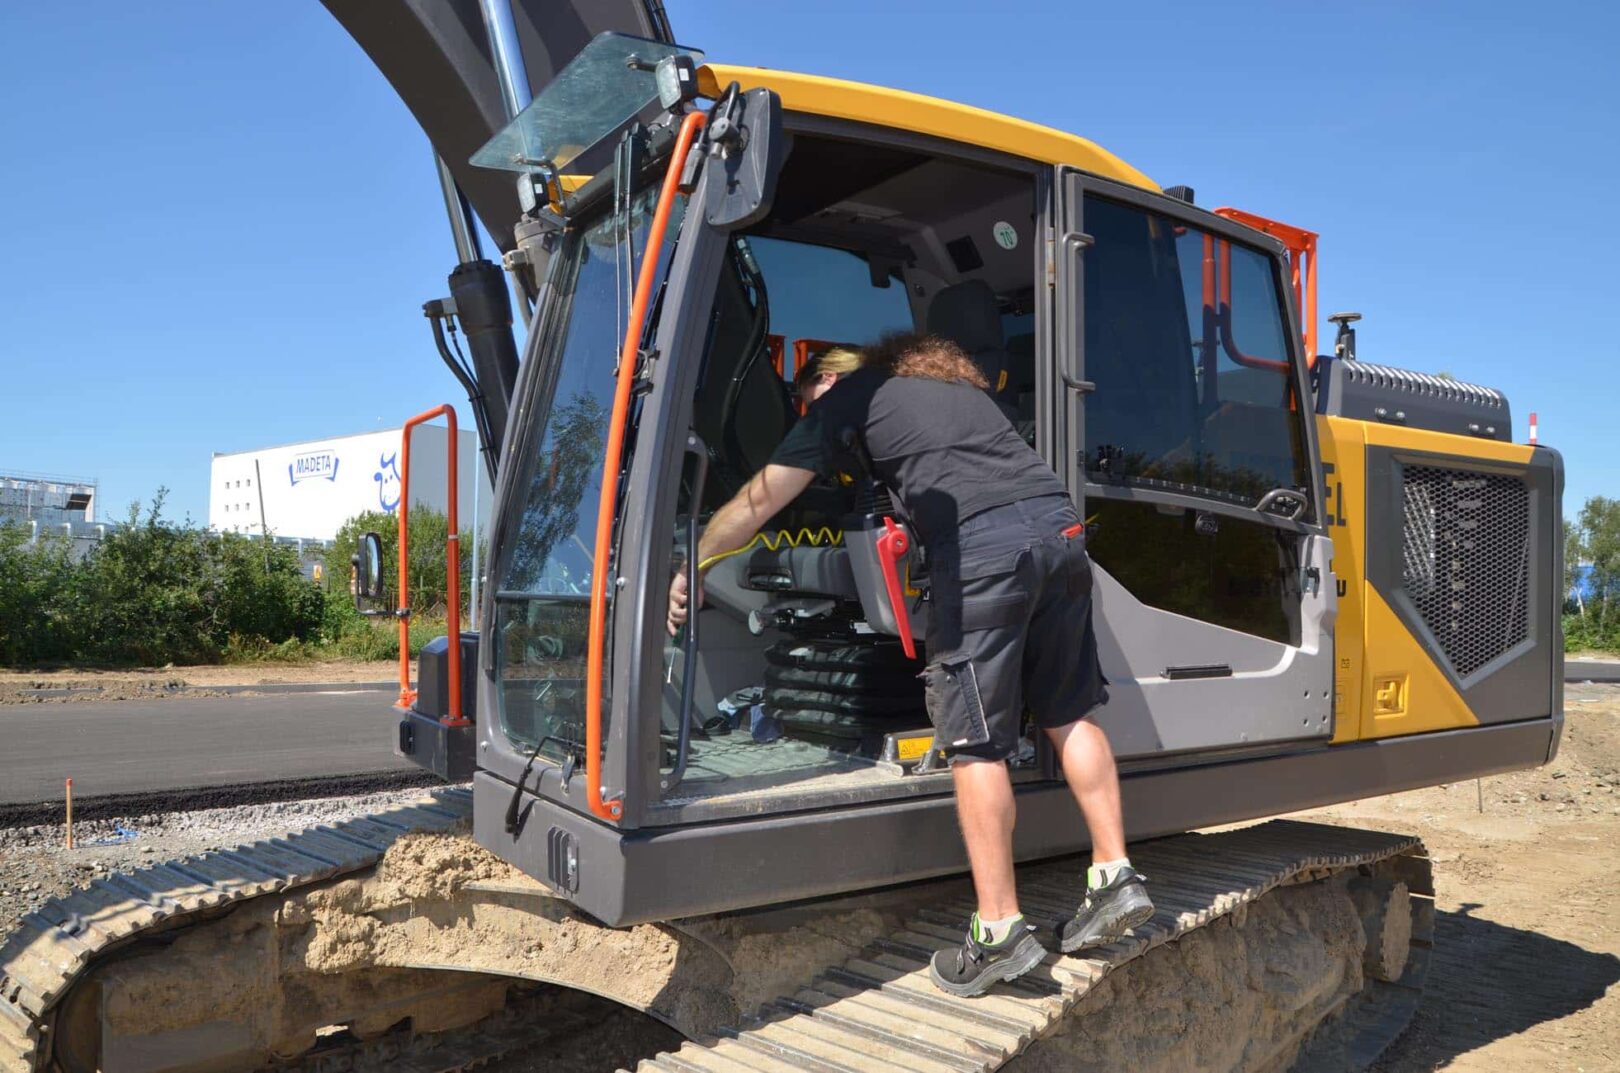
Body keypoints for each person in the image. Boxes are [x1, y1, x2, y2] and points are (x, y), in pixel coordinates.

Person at [668, 332, 1152, 998]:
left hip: (983, 551)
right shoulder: (950, 388)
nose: (813, 414)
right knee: (1070, 711)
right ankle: (1114, 875)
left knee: (975, 743)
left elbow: (760, 501)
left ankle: (999, 929)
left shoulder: (849, 399)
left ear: (829, 380)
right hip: (1061, 533)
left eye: (809, 398)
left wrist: (692, 561)